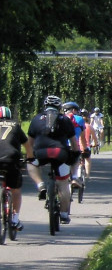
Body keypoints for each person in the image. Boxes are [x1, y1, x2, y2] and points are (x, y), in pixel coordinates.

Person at [26, 95, 77, 225]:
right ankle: (64, 214)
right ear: (59, 107)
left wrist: (29, 156)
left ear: (44, 106)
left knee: (31, 164)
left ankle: (40, 184)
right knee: (63, 184)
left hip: (41, 153)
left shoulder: (36, 119)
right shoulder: (65, 120)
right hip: (60, 153)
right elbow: (74, 143)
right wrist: (75, 155)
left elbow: (29, 143)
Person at [0, 105, 29, 231]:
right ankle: (15, 220)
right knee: (16, 190)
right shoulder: (15, 126)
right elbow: (27, 145)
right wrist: (30, 158)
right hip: (11, 159)